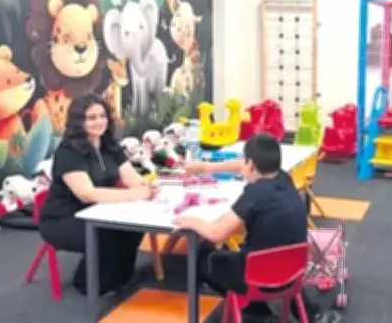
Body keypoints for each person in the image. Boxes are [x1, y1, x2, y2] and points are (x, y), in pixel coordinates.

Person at [176, 133, 340, 322]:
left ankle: (254, 308)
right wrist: (205, 168)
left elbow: (216, 233)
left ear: (251, 165)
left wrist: (191, 221)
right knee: (277, 252)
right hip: (293, 272)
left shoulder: (254, 194)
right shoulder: (284, 178)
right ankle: (311, 314)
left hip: (256, 277)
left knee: (202, 256)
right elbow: (240, 165)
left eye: (245, 162)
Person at [39, 94, 158, 296]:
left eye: (102, 116)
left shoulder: (109, 145)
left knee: (134, 227)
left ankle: (121, 278)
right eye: (91, 117)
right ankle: (86, 283)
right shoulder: (68, 151)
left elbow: (130, 177)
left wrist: (147, 185)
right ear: (79, 121)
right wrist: (135, 194)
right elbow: (87, 194)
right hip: (63, 219)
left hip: (98, 210)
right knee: (107, 233)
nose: (99, 122)